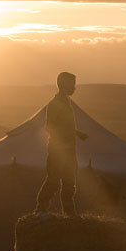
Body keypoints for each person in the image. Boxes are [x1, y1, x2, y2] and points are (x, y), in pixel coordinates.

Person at [35, 72, 88, 217]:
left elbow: (63, 125)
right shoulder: (55, 104)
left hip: (68, 149)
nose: (75, 88)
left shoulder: (65, 102)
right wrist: (63, 142)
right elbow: (50, 127)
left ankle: (69, 212)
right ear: (64, 85)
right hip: (58, 151)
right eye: (72, 84)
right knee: (53, 181)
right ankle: (41, 208)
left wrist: (77, 133)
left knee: (69, 182)